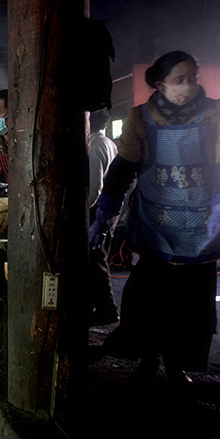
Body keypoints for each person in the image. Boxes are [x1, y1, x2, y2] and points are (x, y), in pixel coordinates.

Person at [89, 51, 220, 387]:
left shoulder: (215, 115)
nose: (188, 86)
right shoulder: (141, 118)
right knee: (148, 299)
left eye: (193, 77)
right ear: (160, 85)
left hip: (201, 228)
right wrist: (105, 211)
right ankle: (147, 361)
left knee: (190, 305)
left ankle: (178, 366)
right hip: (156, 224)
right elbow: (124, 167)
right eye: (179, 80)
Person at [87, 109, 120, 325]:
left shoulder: (95, 146)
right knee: (97, 257)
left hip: (97, 210)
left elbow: (94, 188)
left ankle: (108, 309)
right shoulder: (108, 143)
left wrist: (84, 210)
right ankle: (94, 304)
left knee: (96, 258)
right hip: (108, 210)